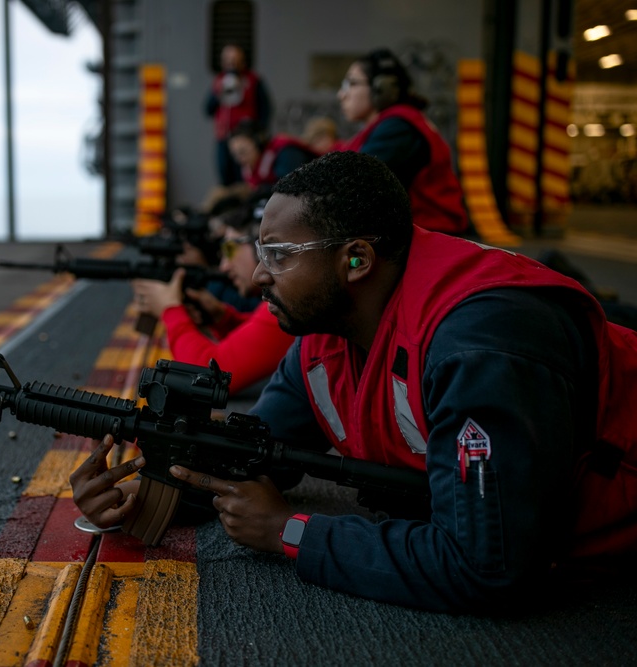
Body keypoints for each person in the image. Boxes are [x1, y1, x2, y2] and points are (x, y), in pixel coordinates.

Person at [72, 151, 637, 613]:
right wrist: (143, 494)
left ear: (357, 260)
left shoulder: (480, 345)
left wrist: (289, 530)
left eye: (280, 254)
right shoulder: (325, 337)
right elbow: (254, 453)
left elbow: (487, 567)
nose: (259, 273)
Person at [130, 198, 294, 396]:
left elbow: (210, 376)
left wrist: (170, 311)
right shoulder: (287, 301)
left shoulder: (290, 301)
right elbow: (260, 336)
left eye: (229, 249)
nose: (224, 265)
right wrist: (222, 317)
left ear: (263, 246)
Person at [336, 48, 469, 235]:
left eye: (351, 83)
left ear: (381, 88)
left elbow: (354, 186)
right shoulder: (392, 124)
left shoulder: (399, 128)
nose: (341, 94)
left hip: (427, 240)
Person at [205, 44, 273, 186]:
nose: (232, 65)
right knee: (225, 175)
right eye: (228, 61)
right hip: (224, 138)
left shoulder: (253, 80)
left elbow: (266, 109)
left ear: (243, 61)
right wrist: (219, 93)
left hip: (246, 140)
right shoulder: (219, 81)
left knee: (245, 177)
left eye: (235, 60)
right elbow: (207, 109)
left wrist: (258, 134)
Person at [227, 120, 318, 189]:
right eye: (235, 155)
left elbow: (293, 186)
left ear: (259, 143)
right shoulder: (249, 169)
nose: (239, 159)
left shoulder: (286, 153)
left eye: (243, 152)